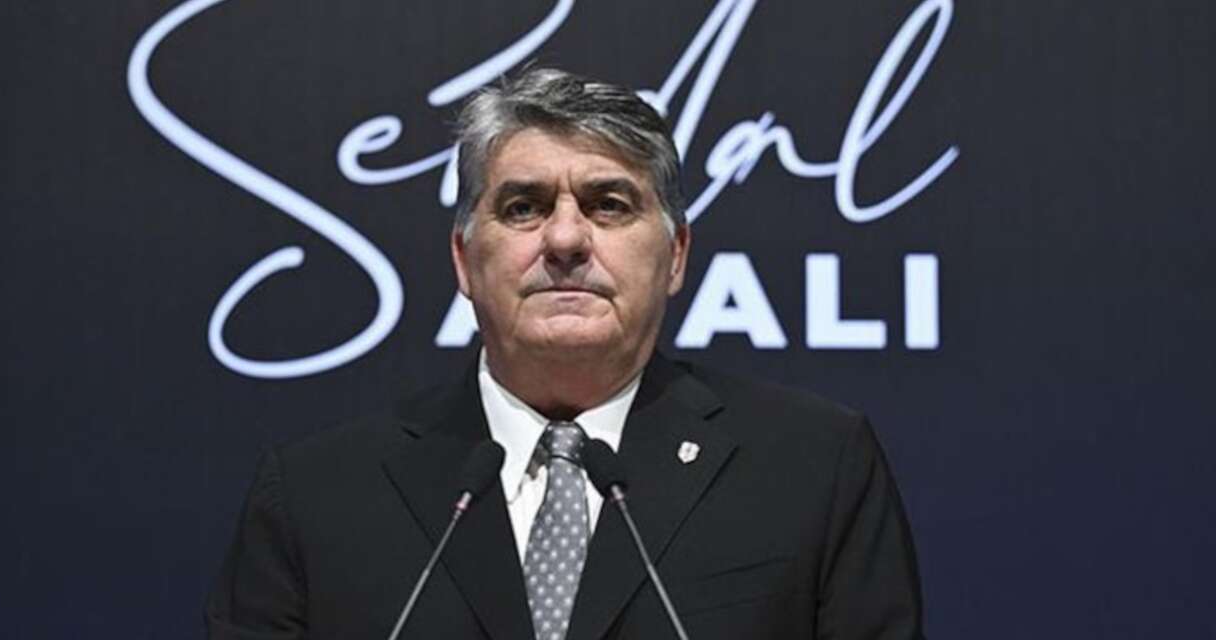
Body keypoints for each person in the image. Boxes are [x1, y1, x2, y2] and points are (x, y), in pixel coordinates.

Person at [206, 67, 925, 639]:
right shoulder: (316, 496)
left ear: (676, 255)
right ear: (464, 259)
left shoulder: (814, 466)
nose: (566, 240)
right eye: (523, 207)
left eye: (609, 204)